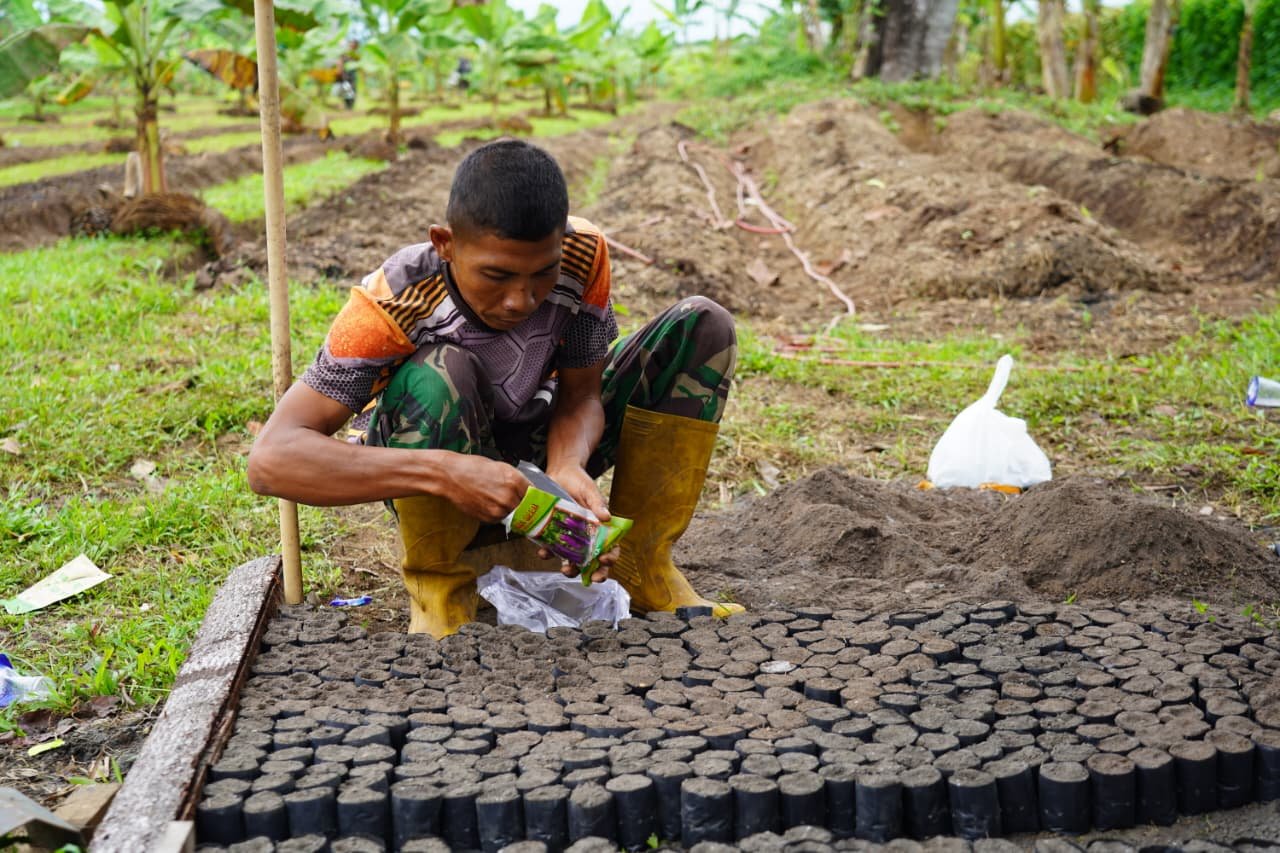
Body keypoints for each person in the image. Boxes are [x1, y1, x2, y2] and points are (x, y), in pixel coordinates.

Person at [247, 139, 742, 638]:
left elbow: (581, 395)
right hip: (441, 458)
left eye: (542, 273)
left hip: (537, 444)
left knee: (703, 326)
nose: (520, 300)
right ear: (445, 243)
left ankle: (641, 567)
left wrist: (566, 466)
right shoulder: (392, 302)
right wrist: (447, 473)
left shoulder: (583, 253)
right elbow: (272, 460)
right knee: (438, 370)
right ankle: (443, 595)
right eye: (496, 275)